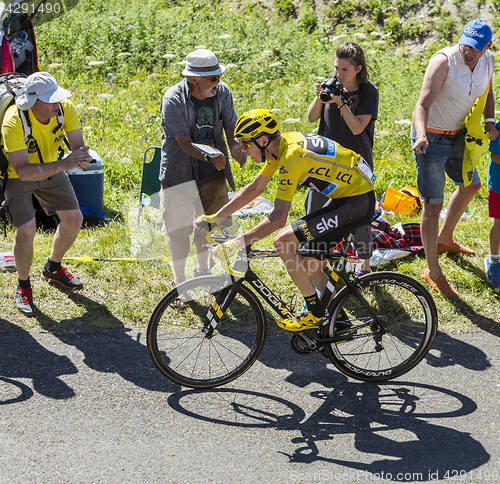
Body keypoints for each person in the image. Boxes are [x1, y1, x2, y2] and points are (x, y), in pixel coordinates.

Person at [195, 109, 375, 332]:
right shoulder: (279, 147)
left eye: (245, 144)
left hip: (356, 203)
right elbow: (254, 189)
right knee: (309, 256)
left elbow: (278, 218)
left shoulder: (291, 157)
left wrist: (237, 243)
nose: (243, 151)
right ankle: (336, 321)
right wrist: (215, 218)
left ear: (262, 140)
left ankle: (315, 313)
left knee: (284, 242)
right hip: (349, 198)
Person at [411, 19, 498, 299]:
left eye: (475, 47)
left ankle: (444, 239)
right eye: (465, 44)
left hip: (460, 136)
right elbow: (421, 104)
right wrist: (421, 135)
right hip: (431, 139)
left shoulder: (488, 61)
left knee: (472, 185)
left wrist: (489, 119)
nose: (468, 52)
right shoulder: (444, 61)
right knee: (432, 205)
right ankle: (432, 271)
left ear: (487, 46)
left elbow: (489, 94)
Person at [159, 49, 246, 305]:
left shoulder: (223, 92)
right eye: (211, 78)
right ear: (194, 78)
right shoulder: (173, 99)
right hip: (179, 174)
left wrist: (238, 149)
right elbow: (184, 143)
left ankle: (203, 270)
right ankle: (180, 285)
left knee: (211, 225)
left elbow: (231, 127)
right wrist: (210, 158)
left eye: (218, 76)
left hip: (213, 175)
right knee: (179, 231)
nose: (217, 82)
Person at [2, 72, 93, 317]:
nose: (57, 104)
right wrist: (65, 164)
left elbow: (78, 146)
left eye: (57, 98)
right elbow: (22, 171)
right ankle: (23, 286)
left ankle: (52, 268)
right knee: (26, 230)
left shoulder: (65, 109)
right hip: (18, 175)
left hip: (53, 167)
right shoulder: (13, 121)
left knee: (74, 219)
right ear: (32, 101)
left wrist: (82, 157)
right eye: (50, 100)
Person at [307, 42, 379, 276]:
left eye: (344, 70)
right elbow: (311, 118)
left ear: (358, 69)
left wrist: (340, 104)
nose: (338, 74)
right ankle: (319, 260)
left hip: (354, 165)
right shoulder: (332, 85)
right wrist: (320, 97)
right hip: (324, 162)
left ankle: (364, 266)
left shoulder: (368, 92)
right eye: (336, 68)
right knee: (314, 209)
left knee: (359, 214)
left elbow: (358, 128)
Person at [484, 120, 500, 287]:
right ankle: (494, 261)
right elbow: (495, 156)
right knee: (499, 225)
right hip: (499, 187)